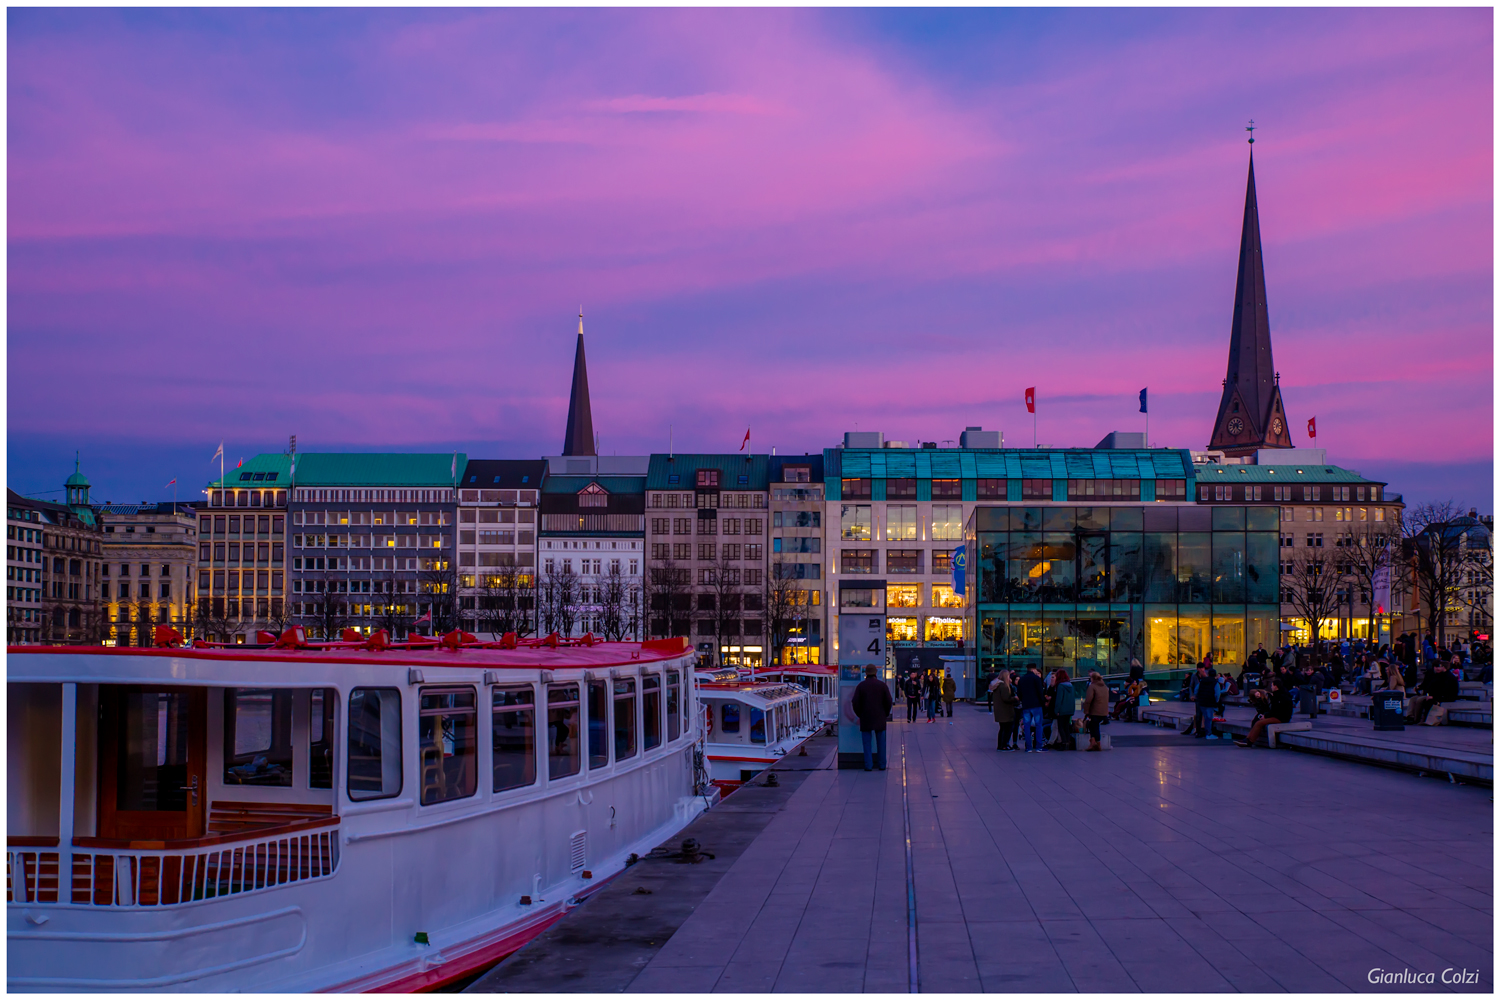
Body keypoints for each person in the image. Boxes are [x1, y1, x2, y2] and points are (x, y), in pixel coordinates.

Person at [851, 665, 894, 771]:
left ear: (866, 673)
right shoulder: (882, 685)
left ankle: (868, 765)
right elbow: (889, 701)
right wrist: (885, 713)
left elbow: (855, 702)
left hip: (866, 717)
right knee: (881, 743)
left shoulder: (861, 686)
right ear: (875, 673)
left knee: (867, 743)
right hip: (880, 717)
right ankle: (882, 764)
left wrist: (860, 714)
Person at [1235, 680, 1295, 747]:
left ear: (1276, 686)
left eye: (1272, 685)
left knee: (1259, 723)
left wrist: (1266, 716)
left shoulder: (1281, 697)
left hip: (1281, 718)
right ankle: (1247, 739)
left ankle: (1250, 741)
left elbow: (1277, 711)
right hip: (1278, 716)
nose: (1271, 687)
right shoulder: (1278, 695)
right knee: (1257, 721)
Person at [1016, 664, 1047, 752]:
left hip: (1026, 705)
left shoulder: (1022, 679)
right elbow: (1040, 692)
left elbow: (1019, 693)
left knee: (1027, 726)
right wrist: (1043, 702)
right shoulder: (1036, 679)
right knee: (1038, 725)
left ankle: (1028, 747)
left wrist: (1023, 700)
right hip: (1036, 705)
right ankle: (1038, 746)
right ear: (1034, 669)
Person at [989, 670, 1019, 751]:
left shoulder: (997, 686)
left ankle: (1000, 745)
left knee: (1002, 728)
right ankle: (1004, 745)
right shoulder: (1004, 686)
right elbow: (1006, 698)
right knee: (1007, 729)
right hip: (1005, 711)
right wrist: (1015, 698)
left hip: (1000, 711)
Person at [1081, 671, 1110, 751]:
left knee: (1093, 726)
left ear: (1092, 678)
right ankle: (1096, 743)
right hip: (1103, 711)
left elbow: (1088, 700)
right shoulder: (1104, 687)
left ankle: (1094, 743)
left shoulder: (1092, 686)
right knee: (1095, 726)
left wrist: (1086, 711)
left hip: (1095, 711)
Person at [1051, 670, 1076, 750]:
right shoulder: (1071, 685)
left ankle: (1064, 743)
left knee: (1061, 727)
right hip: (1069, 710)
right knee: (1066, 727)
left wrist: (1056, 710)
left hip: (1061, 710)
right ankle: (1067, 743)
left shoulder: (1060, 686)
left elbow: (1059, 699)